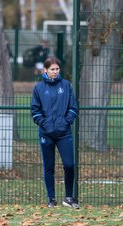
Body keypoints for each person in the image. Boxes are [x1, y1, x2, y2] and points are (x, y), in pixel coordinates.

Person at [30, 57, 79, 208]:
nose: (55, 72)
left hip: (64, 133)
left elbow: (73, 107)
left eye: (57, 69)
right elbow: (35, 111)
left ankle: (69, 197)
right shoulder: (38, 88)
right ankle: (51, 199)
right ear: (45, 70)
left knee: (69, 165)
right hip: (46, 134)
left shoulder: (66, 86)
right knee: (49, 166)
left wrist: (66, 121)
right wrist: (44, 124)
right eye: (52, 69)